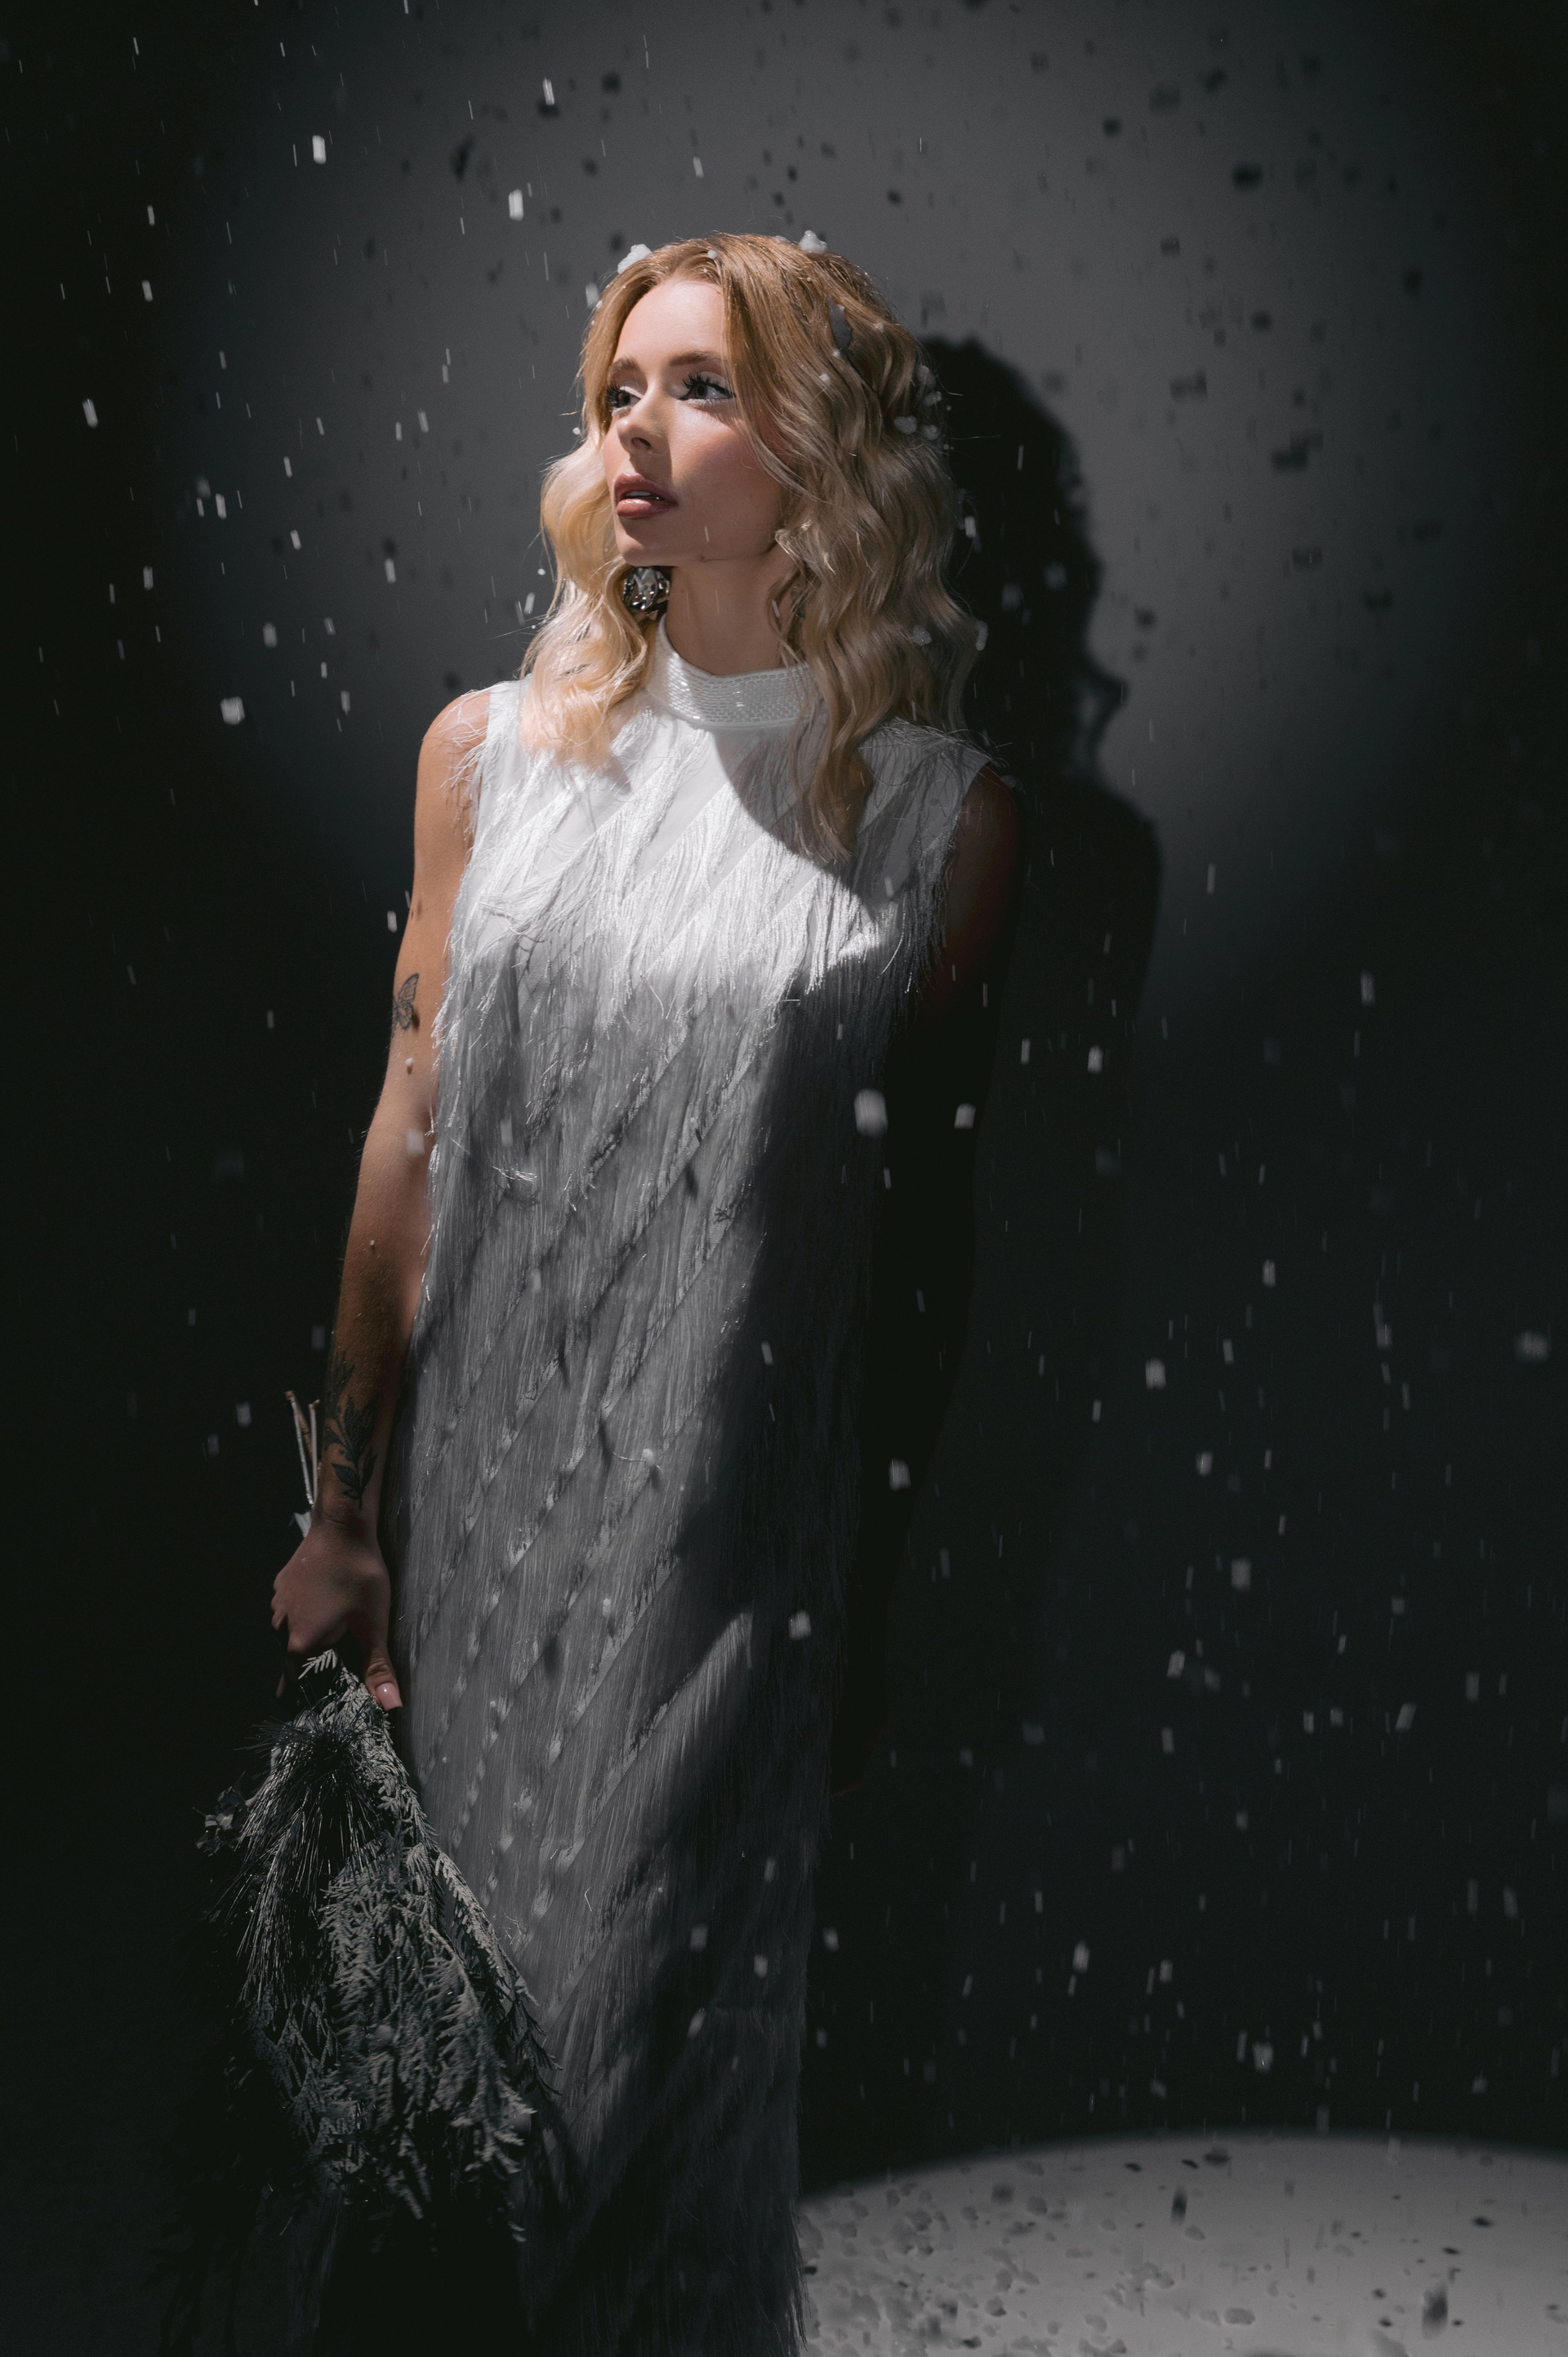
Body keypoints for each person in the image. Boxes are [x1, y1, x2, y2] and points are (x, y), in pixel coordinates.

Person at [270, 231, 1022, 2354]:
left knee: (637, 2102)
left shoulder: (945, 828)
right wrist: (343, 1515)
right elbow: (407, 1134)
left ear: (824, 450)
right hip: (466, 1554)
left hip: (726, 1568)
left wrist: (869, 1588)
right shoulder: (487, 761)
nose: (641, 433)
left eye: (704, 387)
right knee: (425, 2106)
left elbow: (922, 1254)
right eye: (622, 389)